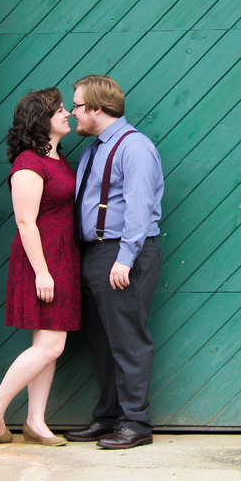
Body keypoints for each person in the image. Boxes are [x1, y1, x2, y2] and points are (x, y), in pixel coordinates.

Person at [0, 87, 80, 446]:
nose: (68, 114)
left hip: (62, 258)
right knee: (50, 346)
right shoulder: (29, 163)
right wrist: (43, 271)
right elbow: (25, 222)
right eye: (60, 110)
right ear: (40, 119)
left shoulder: (57, 160)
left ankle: (35, 421)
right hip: (42, 260)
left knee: (46, 343)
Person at [64, 75, 164, 449]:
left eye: (76, 105)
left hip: (123, 254)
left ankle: (136, 423)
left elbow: (139, 208)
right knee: (103, 340)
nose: (73, 112)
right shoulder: (94, 149)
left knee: (128, 339)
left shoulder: (133, 148)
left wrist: (125, 259)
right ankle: (108, 417)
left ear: (97, 108)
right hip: (95, 253)